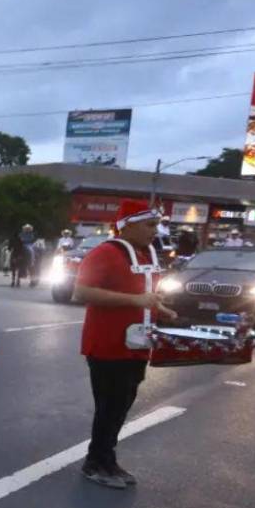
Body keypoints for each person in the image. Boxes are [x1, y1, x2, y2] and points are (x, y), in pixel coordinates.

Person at [72, 201, 176, 489]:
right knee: (109, 406)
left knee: (121, 405)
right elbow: (81, 292)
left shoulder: (148, 253)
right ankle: (95, 463)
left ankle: (106, 459)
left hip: (138, 344)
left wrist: (161, 310)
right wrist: (135, 301)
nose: (155, 231)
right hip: (106, 345)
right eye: (149, 225)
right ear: (128, 224)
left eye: (156, 225)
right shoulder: (104, 252)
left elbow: (146, 294)